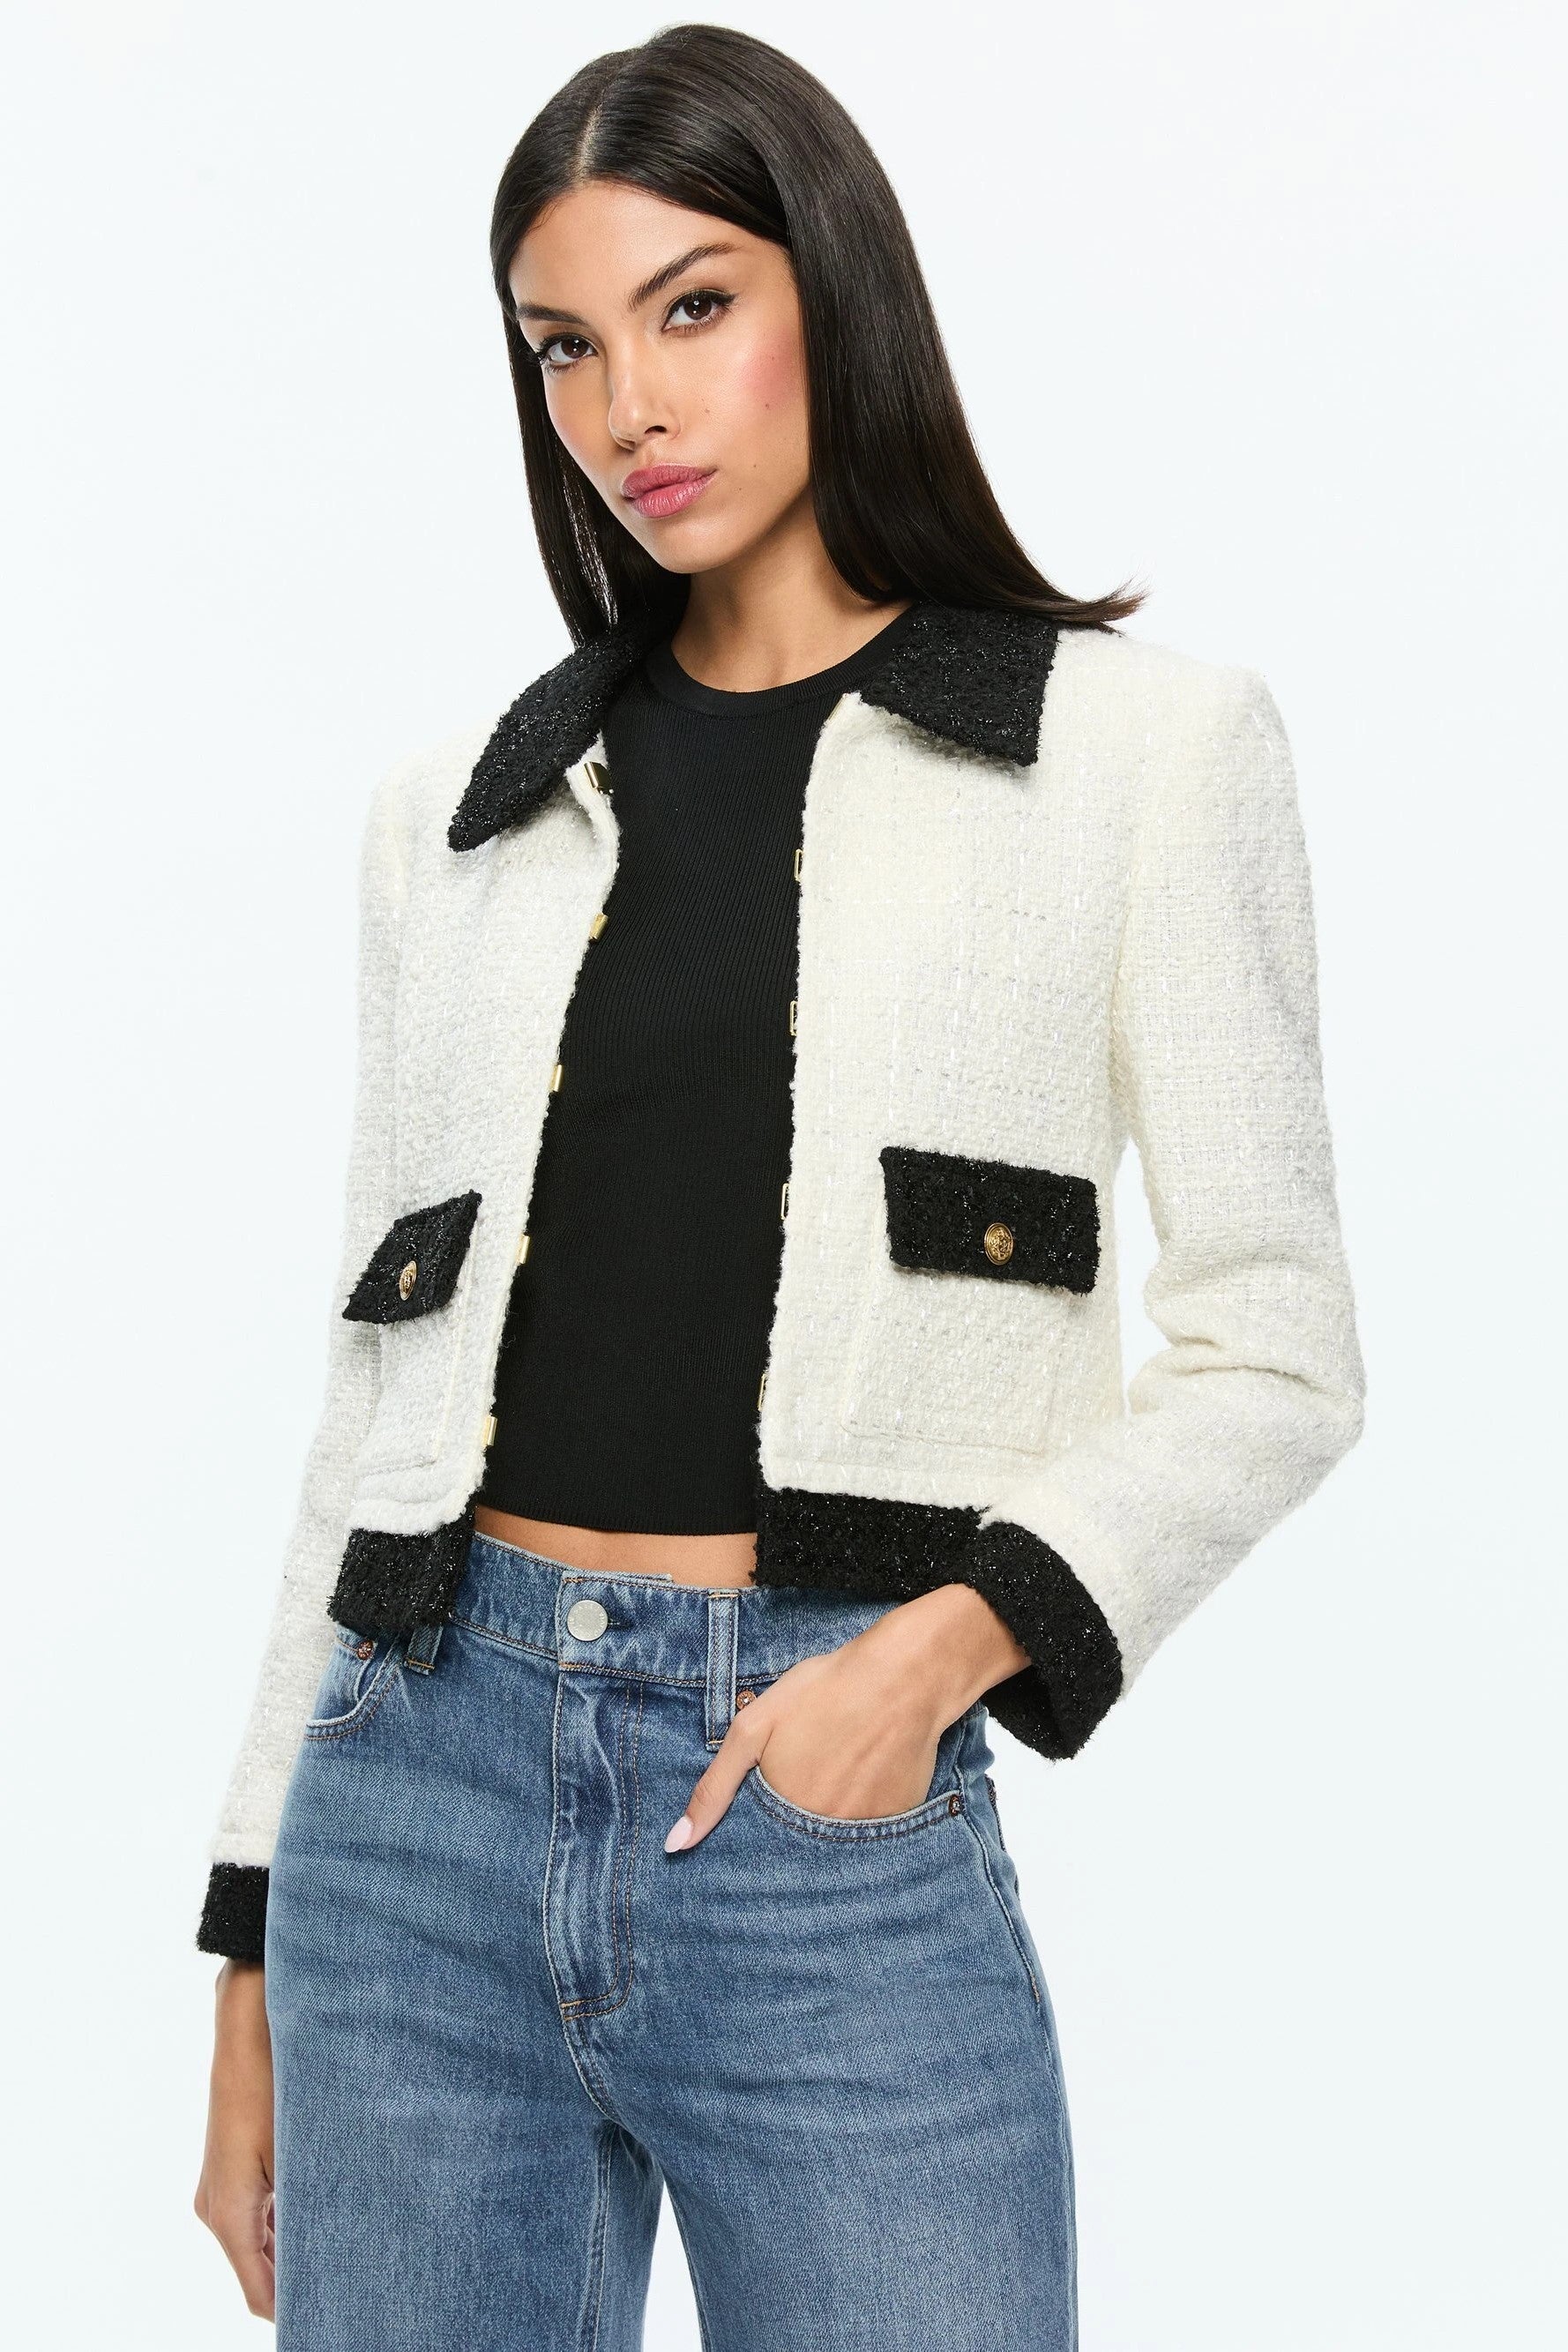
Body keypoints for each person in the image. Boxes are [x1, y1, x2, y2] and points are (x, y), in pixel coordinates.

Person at [191, 24, 1366, 2350]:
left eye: (694, 305)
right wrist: (248, 1939)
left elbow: (1277, 1345)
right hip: (406, 1818)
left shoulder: (1135, 753)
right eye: (565, 345)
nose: (630, 403)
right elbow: (371, 1416)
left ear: (836, 287)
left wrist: (933, 1652)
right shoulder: (461, 817)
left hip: (822, 1800)